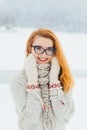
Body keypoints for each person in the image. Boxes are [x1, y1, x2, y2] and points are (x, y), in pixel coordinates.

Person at [10, 28, 75, 130]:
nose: (44, 54)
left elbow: (63, 115)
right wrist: (32, 81)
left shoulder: (63, 78)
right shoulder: (18, 81)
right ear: (30, 48)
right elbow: (30, 118)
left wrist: (54, 82)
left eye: (49, 49)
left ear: (54, 52)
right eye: (38, 48)